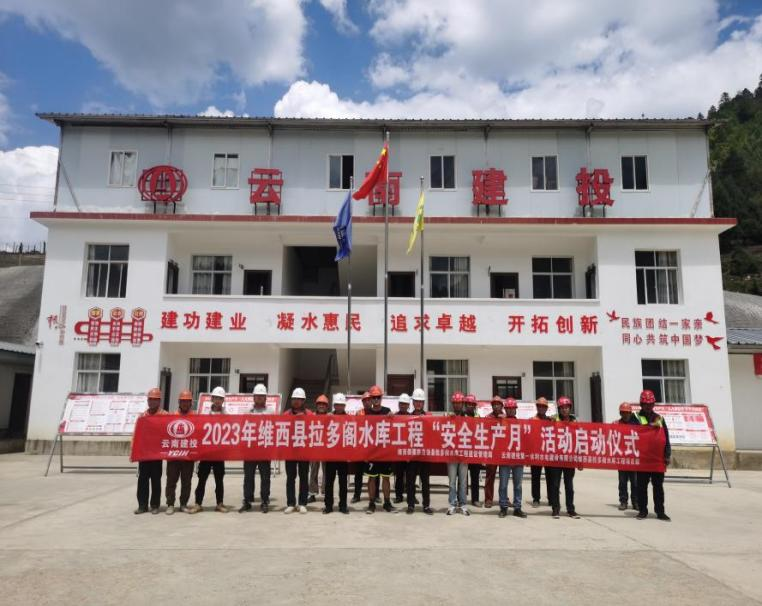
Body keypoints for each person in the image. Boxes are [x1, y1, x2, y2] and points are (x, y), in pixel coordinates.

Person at [189, 386, 228, 513]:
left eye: (220, 398)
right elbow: (199, 430)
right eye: (216, 398)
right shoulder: (205, 413)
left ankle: (220, 503)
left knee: (219, 480)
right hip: (206, 453)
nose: (218, 401)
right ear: (212, 399)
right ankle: (198, 503)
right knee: (202, 479)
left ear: (223, 400)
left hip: (219, 453)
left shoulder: (226, 415)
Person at [635, 390, 672, 521]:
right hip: (642, 458)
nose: (648, 407)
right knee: (641, 487)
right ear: (641, 404)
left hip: (657, 459)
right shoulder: (636, 418)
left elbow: (666, 438)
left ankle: (660, 512)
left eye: (650, 404)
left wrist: (667, 454)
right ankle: (642, 511)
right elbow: (628, 432)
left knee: (658, 487)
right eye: (646, 404)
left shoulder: (659, 419)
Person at [134, 387, 168, 515]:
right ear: (148, 401)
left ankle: (154, 505)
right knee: (142, 480)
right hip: (144, 454)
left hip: (157, 454)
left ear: (159, 401)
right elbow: (136, 435)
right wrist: (134, 451)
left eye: (155, 399)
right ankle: (142, 505)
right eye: (150, 399)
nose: (152, 402)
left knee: (155, 480)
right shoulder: (142, 416)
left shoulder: (165, 415)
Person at [547, 396, 581, 519]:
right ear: (559, 409)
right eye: (562, 408)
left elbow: (579, 440)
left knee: (569, 486)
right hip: (556, 458)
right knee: (555, 485)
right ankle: (555, 509)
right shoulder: (554, 420)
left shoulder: (575, 422)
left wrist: (580, 459)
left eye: (567, 407)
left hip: (570, 458)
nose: (565, 410)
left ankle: (570, 509)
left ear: (570, 408)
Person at [240, 383, 272, 513]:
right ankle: (247, 500)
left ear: (265, 398)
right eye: (257, 396)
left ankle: (264, 500)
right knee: (248, 477)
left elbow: (274, 429)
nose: (259, 398)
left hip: (264, 450)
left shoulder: (271, 412)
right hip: (250, 450)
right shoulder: (247, 412)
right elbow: (242, 429)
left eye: (262, 396)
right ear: (253, 397)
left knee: (265, 477)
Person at [364, 385, 396, 514]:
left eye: (378, 397)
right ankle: (371, 503)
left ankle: (387, 503)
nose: (376, 400)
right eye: (374, 397)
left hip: (385, 451)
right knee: (371, 478)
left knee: (386, 478)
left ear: (381, 398)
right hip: (371, 451)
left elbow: (394, 428)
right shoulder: (365, 413)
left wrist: (392, 417)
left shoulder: (387, 411)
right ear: (370, 399)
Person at [165, 389, 196, 515]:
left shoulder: (196, 417)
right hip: (173, 456)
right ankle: (170, 504)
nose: (185, 403)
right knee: (171, 481)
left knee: (186, 482)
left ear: (191, 403)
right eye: (183, 401)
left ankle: (183, 504)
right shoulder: (171, 416)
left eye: (187, 401)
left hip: (188, 456)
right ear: (179, 402)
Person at [498, 398, 527, 518]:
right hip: (504, 458)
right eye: (508, 409)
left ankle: (517, 507)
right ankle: (503, 507)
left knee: (518, 485)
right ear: (505, 409)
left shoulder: (520, 423)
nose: (510, 411)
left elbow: (525, 440)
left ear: (515, 410)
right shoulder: (500, 422)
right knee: (503, 485)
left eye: (512, 408)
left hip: (518, 458)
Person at [284, 387, 312, 514]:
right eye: (294, 399)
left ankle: (302, 503)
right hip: (290, 451)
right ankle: (291, 503)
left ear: (303, 401)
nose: (296, 401)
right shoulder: (286, 415)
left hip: (304, 451)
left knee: (304, 477)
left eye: (299, 399)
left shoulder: (310, 414)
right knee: (290, 477)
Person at [406, 389, 433, 515]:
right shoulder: (407, 417)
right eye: (416, 401)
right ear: (413, 402)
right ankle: (410, 505)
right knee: (410, 481)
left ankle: (426, 505)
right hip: (411, 455)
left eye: (420, 401)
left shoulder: (429, 417)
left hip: (424, 454)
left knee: (425, 481)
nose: (418, 404)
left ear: (423, 403)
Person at [323, 393, 350, 514]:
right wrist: (326, 419)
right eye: (337, 405)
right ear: (334, 405)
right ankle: (328, 506)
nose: (339, 407)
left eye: (341, 405)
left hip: (343, 455)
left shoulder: (349, 418)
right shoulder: (328, 417)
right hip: (330, 455)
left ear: (344, 406)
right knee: (329, 482)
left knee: (343, 482)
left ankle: (343, 505)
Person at [447, 391, 470, 516]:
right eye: (455, 403)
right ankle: (452, 504)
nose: (457, 405)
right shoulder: (448, 416)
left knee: (463, 482)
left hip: (464, 454)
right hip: (451, 455)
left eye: (459, 403)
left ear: (462, 404)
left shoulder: (468, 417)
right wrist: (447, 419)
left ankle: (463, 504)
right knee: (452, 482)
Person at [615, 402, 639, 511]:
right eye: (623, 413)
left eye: (627, 413)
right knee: (622, 481)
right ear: (620, 413)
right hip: (622, 458)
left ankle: (636, 502)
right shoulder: (617, 424)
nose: (625, 415)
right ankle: (623, 501)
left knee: (635, 482)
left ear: (630, 413)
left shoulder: (636, 424)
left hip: (633, 457)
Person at [530, 397, 553, 508]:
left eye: (544, 406)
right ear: (537, 407)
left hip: (548, 453)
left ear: (546, 408)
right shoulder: (532, 420)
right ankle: (536, 499)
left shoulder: (551, 421)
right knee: (535, 477)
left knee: (550, 477)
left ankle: (551, 498)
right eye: (540, 406)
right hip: (536, 452)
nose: (541, 408)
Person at [351, 391, 372, 504]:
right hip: (360, 448)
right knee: (358, 474)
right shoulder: (358, 413)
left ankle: (375, 495)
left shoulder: (376, 413)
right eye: (365, 400)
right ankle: (356, 495)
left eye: (368, 400)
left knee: (374, 474)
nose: (367, 402)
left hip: (372, 448)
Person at [482, 395, 503, 508]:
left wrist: (505, 420)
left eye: (498, 404)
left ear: (502, 406)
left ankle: (504, 499)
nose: (496, 406)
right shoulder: (488, 418)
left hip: (504, 451)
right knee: (490, 476)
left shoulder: (507, 418)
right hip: (492, 451)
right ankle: (488, 499)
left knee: (504, 477)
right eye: (494, 404)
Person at [308, 394, 330, 503]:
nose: (321, 406)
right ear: (316, 405)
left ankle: (326, 493)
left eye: (324, 404)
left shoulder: (330, 417)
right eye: (319, 404)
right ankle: (312, 493)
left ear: (327, 406)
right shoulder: (311, 416)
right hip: (314, 446)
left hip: (326, 447)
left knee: (327, 470)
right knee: (313, 470)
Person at [464, 393, 482, 507]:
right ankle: (461, 498)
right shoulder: (461, 416)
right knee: (462, 477)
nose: (470, 406)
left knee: (475, 476)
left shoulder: (478, 417)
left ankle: (475, 499)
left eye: (472, 404)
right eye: (468, 404)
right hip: (464, 451)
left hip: (475, 451)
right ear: (465, 405)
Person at [393, 393, 412, 504]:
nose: (403, 406)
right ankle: (398, 496)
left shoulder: (412, 417)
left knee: (410, 476)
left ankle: (411, 496)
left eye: (405, 404)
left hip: (409, 451)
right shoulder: (394, 417)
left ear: (408, 405)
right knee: (399, 475)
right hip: (398, 451)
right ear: (399, 404)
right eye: (401, 404)